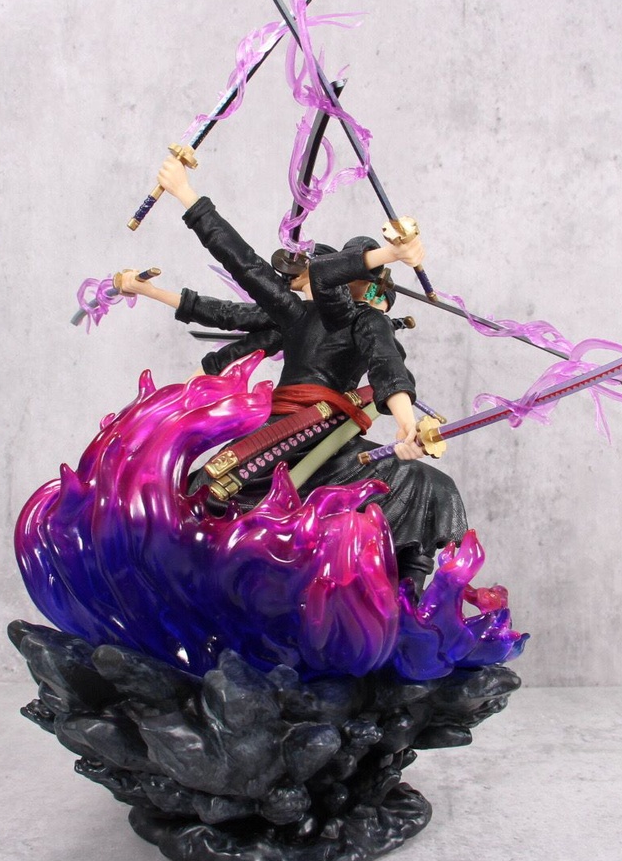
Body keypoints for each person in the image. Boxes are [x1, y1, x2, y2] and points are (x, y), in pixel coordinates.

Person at [151, 154, 468, 590]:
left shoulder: (369, 321)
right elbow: (243, 264)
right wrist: (185, 193)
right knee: (205, 495)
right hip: (281, 434)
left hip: (335, 444)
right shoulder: (296, 312)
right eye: (361, 274)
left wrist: (407, 424)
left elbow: (388, 369)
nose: (366, 292)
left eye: (374, 284)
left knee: (429, 485)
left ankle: (406, 595)